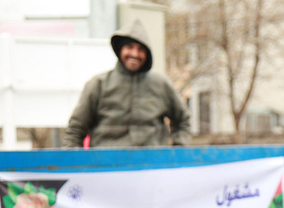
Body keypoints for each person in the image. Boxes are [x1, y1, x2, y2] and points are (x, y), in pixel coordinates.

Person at [63, 19, 191, 148]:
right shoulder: (99, 84)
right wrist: (75, 163)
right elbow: (75, 130)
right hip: (107, 164)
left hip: (152, 164)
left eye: (141, 49)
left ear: (147, 53)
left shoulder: (161, 84)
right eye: (129, 47)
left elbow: (183, 120)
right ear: (120, 50)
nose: (135, 54)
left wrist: (178, 151)